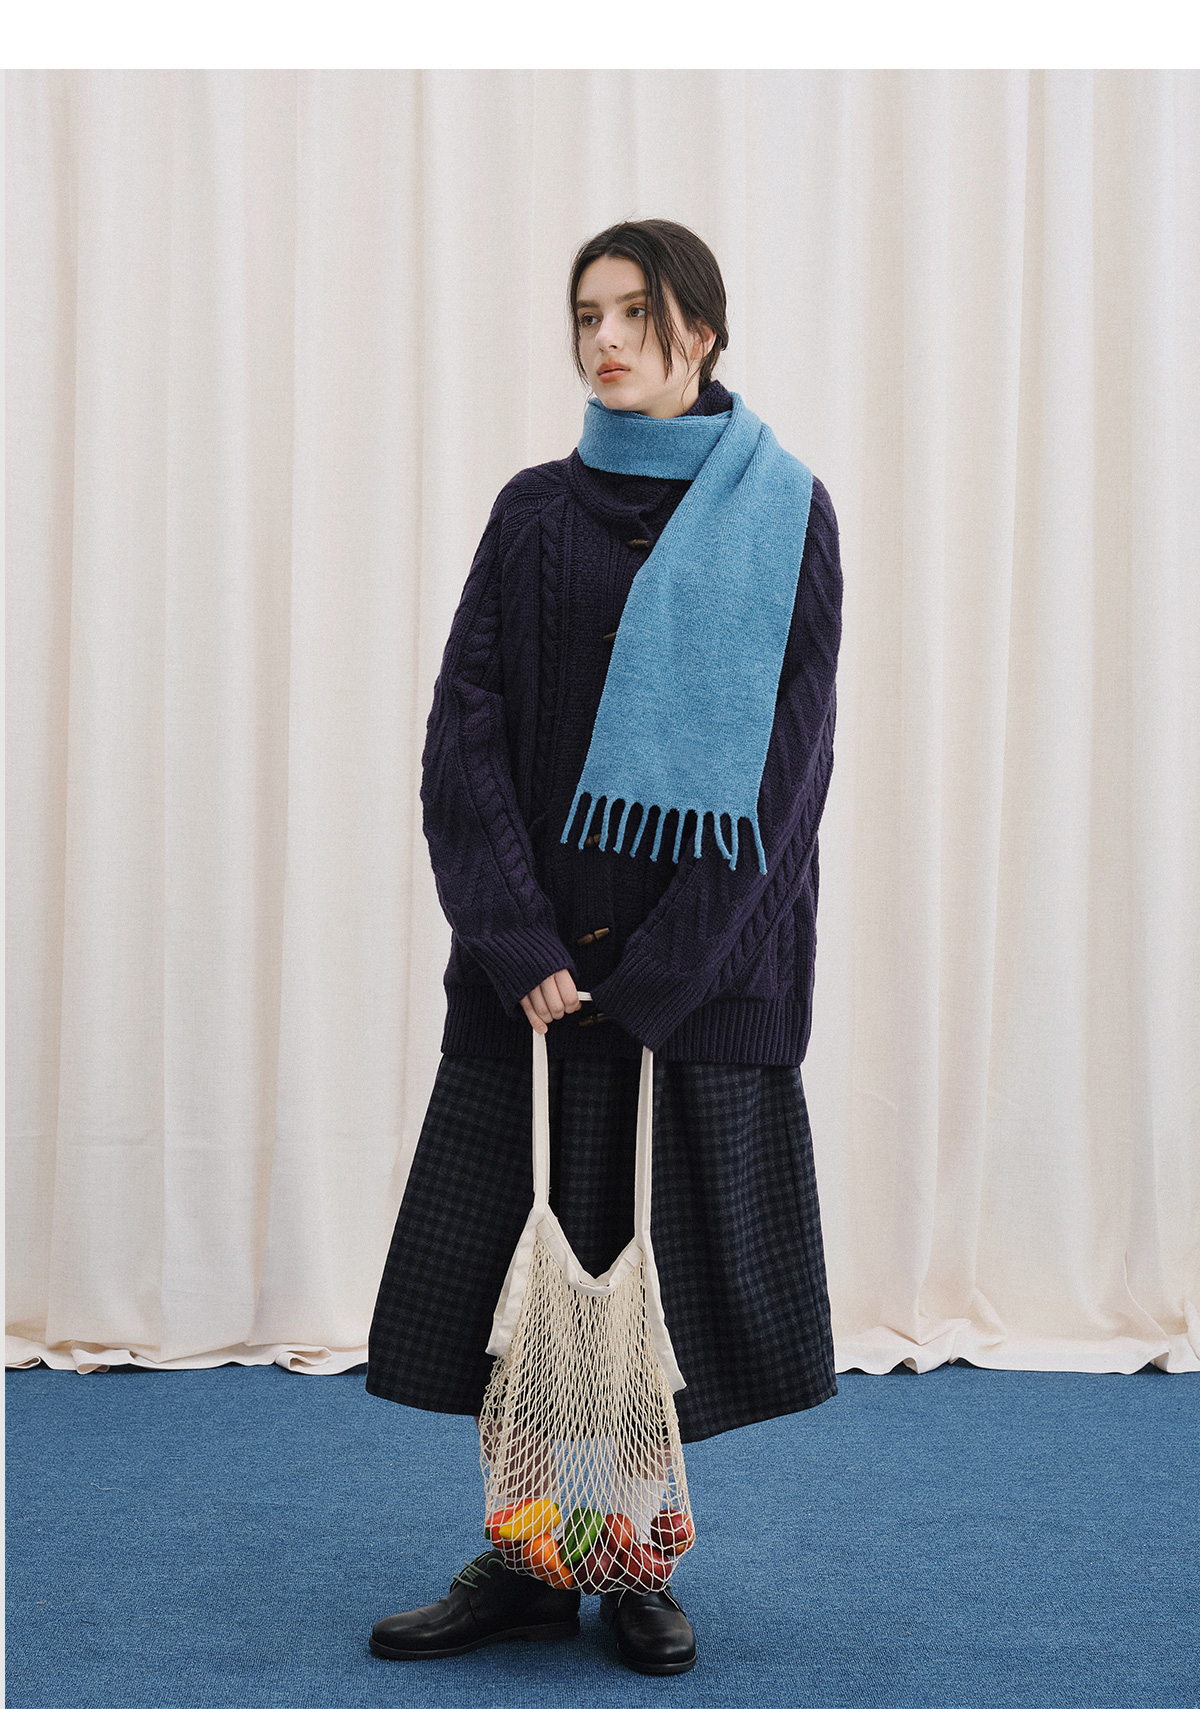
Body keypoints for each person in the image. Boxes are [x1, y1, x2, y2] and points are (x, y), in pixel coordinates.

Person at [364, 218, 843, 1677]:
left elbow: (787, 778)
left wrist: (659, 981)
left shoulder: (788, 513)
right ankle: (528, 1561)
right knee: (521, 1292)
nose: (608, 340)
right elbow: (464, 733)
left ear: (704, 328)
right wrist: (517, 940)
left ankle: (636, 1556)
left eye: (637, 312)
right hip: (532, 986)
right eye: (588, 315)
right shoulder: (531, 513)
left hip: (694, 988)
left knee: (649, 1298)